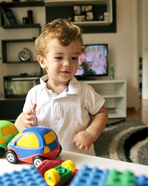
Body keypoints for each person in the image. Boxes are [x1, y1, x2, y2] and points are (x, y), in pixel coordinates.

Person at [20, 18, 108, 156]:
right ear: (43, 61)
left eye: (73, 58)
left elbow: (101, 113)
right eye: (59, 57)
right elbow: (26, 118)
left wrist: (90, 134)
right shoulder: (34, 93)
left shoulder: (84, 91)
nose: (67, 63)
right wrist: (26, 120)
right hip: (46, 155)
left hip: (81, 157)